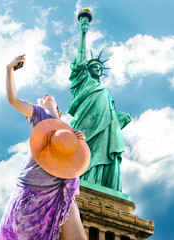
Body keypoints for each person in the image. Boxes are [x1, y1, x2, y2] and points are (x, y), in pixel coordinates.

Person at [0, 55, 87, 240]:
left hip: (58, 190)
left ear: (59, 109)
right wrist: (9, 69)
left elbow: (74, 163)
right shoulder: (39, 116)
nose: (45, 96)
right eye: (44, 98)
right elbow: (13, 99)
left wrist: (79, 141)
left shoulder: (68, 131)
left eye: (50, 98)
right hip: (32, 192)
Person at [68, 13, 131, 191]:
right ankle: (82, 180)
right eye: (94, 66)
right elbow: (81, 55)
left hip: (106, 128)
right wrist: (83, 31)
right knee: (85, 148)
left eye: (100, 67)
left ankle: (101, 184)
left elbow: (110, 116)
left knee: (103, 151)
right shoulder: (83, 82)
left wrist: (120, 117)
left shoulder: (106, 93)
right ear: (87, 69)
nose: (98, 67)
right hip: (86, 123)